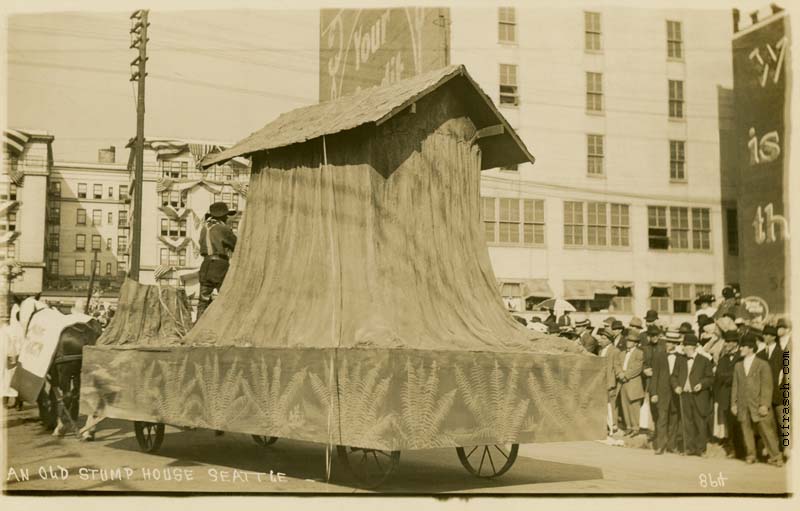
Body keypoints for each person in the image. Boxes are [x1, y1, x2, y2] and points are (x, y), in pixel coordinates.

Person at [731, 333, 783, 466]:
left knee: (767, 431)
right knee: (746, 431)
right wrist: (734, 404)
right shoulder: (738, 366)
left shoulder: (762, 364)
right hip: (743, 404)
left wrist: (764, 404)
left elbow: (767, 386)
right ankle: (751, 455)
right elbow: (735, 386)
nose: (740, 349)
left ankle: (776, 456)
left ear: (750, 348)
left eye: (742, 347)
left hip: (759, 405)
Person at [671, 334, 714, 456]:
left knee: (700, 422)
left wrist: (701, 384)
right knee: (686, 422)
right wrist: (676, 386)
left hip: (699, 396)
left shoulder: (704, 360)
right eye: (684, 346)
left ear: (694, 347)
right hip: (684, 395)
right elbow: (673, 376)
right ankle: (688, 448)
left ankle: (701, 450)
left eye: (687, 346)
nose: (685, 349)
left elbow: (710, 378)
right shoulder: (680, 360)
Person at [197, 202, 238, 321]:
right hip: (220, 266)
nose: (227, 218)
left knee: (203, 301)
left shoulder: (204, 228)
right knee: (226, 298)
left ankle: (196, 331)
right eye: (226, 216)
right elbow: (236, 245)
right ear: (223, 217)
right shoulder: (223, 228)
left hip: (205, 266)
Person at [650, 330, 683, 454]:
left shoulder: (681, 358)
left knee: (674, 420)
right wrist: (653, 393)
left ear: (676, 343)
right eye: (667, 341)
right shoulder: (659, 356)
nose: (668, 344)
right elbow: (654, 376)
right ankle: (660, 445)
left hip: (675, 394)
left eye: (671, 342)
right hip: (661, 393)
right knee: (662, 419)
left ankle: (672, 445)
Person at [714, 329, 742, 458]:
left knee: (738, 422)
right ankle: (731, 448)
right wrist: (730, 377)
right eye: (727, 341)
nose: (728, 344)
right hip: (725, 395)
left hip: (738, 395)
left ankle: (740, 448)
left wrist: (728, 377)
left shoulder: (741, 357)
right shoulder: (723, 358)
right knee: (728, 423)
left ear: (736, 343)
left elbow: (740, 375)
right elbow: (718, 375)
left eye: (731, 342)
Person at [617, 329, 645, 436]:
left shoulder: (639, 353)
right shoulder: (622, 353)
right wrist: (620, 373)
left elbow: (637, 368)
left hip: (633, 382)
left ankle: (635, 428)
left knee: (634, 406)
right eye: (627, 340)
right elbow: (618, 365)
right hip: (623, 382)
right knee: (625, 405)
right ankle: (628, 427)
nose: (628, 342)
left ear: (635, 343)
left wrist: (626, 375)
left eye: (631, 341)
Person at [597, 329, 623, 435]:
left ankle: (613, 426)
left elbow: (617, 366)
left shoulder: (615, 351)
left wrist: (619, 376)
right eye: (601, 338)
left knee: (610, 405)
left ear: (609, 340)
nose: (601, 340)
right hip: (600, 382)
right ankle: (605, 426)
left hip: (609, 382)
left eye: (603, 339)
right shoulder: (600, 350)